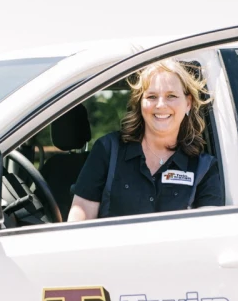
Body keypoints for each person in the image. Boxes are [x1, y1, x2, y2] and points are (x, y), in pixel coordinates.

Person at [68, 59, 223, 221]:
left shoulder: (203, 168)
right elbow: (79, 223)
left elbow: (208, 234)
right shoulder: (108, 150)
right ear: (140, 103)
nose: (161, 105)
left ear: (188, 103)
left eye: (171, 96)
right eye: (152, 96)